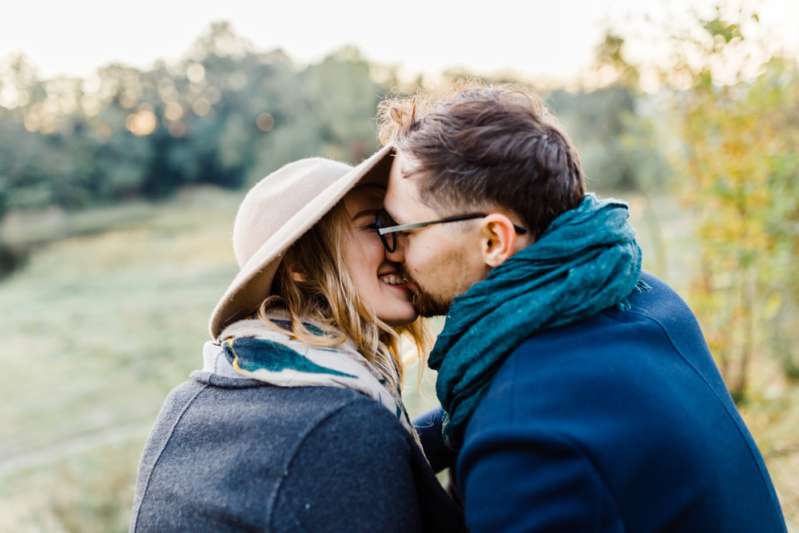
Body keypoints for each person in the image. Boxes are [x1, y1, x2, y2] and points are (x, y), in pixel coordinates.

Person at [369, 86, 788, 532]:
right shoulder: (648, 301)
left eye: (401, 230)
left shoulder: (521, 441)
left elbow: (533, 422)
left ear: (493, 240)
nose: (388, 250)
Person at [129, 148, 465, 532]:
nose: (401, 245)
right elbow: (338, 450)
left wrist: (464, 412)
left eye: (397, 224)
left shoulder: (196, 399)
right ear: (302, 266)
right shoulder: (345, 426)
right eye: (375, 224)